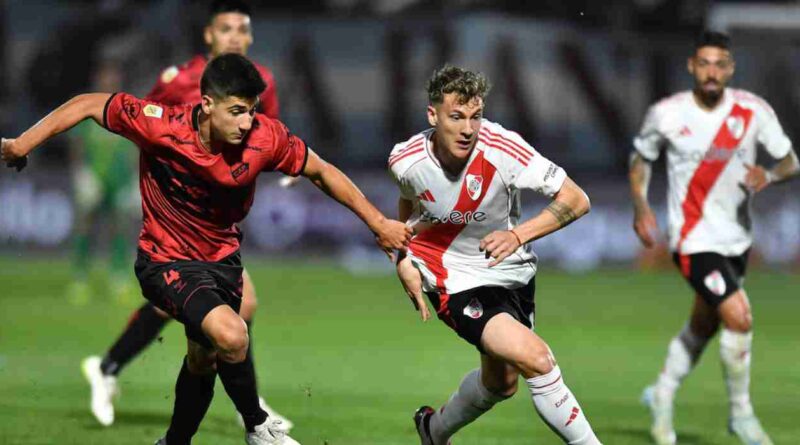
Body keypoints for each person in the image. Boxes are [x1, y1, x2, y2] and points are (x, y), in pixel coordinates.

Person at [2, 53, 412, 445]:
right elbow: (90, 104)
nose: (247, 121)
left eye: (252, 110)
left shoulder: (263, 137)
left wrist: (378, 223)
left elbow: (320, 170)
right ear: (206, 105)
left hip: (223, 262)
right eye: (237, 111)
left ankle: (176, 441)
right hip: (165, 262)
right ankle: (257, 425)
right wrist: (23, 143)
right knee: (232, 336)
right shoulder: (162, 126)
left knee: (203, 360)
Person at [80, 0, 289, 429]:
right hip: (176, 213)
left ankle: (109, 367)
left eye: (243, 29)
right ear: (208, 35)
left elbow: (268, 136)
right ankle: (251, 412)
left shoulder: (260, 80)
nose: (236, 37)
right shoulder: (180, 81)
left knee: (190, 309)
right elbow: (143, 124)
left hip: (221, 213)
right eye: (226, 28)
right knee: (237, 305)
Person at [390, 65, 602, 445]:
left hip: (511, 275)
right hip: (451, 279)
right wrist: (402, 258)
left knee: (501, 384)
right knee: (538, 360)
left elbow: (577, 199)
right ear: (432, 114)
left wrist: (517, 235)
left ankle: (433, 431)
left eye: (476, 116)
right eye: (456, 117)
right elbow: (407, 205)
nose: (468, 129)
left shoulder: (503, 148)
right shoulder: (406, 161)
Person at [629, 31, 798, 445]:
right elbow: (641, 159)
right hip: (692, 239)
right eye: (704, 63)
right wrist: (640, 203)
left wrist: (770, 175)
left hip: (736, 240)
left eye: (719, 64)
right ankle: (741, 415)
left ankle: (661, 394)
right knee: (739, 315)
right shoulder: (667, 114)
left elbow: (790, 159)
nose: (711, 72)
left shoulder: (752, 110)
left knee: (703, 325)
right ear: (691, 66)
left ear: (730, 69)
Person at [67, 60, 138, 306]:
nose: (109, 82)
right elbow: (76, 145)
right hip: (94, 179)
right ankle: (80, 277)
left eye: (114, 78)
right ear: (99, 80)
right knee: (85, 226)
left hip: (120, 181)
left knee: (120, 227)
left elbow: (136, 147)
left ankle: (118, 278)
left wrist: (135, 180)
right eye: (106, 78)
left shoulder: (128, 111)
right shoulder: (87, 109)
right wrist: (81, 174)